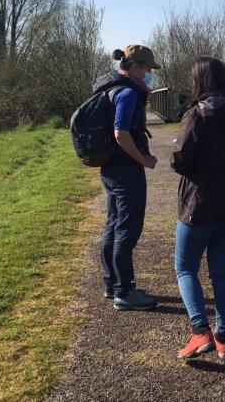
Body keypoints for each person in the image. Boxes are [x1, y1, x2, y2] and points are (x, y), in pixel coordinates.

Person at [170, 57, 225, 360]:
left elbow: (180, 162)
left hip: (200, 205)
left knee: (185, 268)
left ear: (200, 82)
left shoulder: (196, 116)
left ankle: (200, 332)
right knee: (220, 271)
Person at [94, 44, 159, 311]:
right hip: (126, 170)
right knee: (126, 231)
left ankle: (112, 284)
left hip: (109, 166)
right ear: (133, 67)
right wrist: (143, 159)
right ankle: (125, 291)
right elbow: (121, 133)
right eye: (146, 69)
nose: (148, 74)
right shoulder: (127, 94)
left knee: (113, 225)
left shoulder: (109, 87)